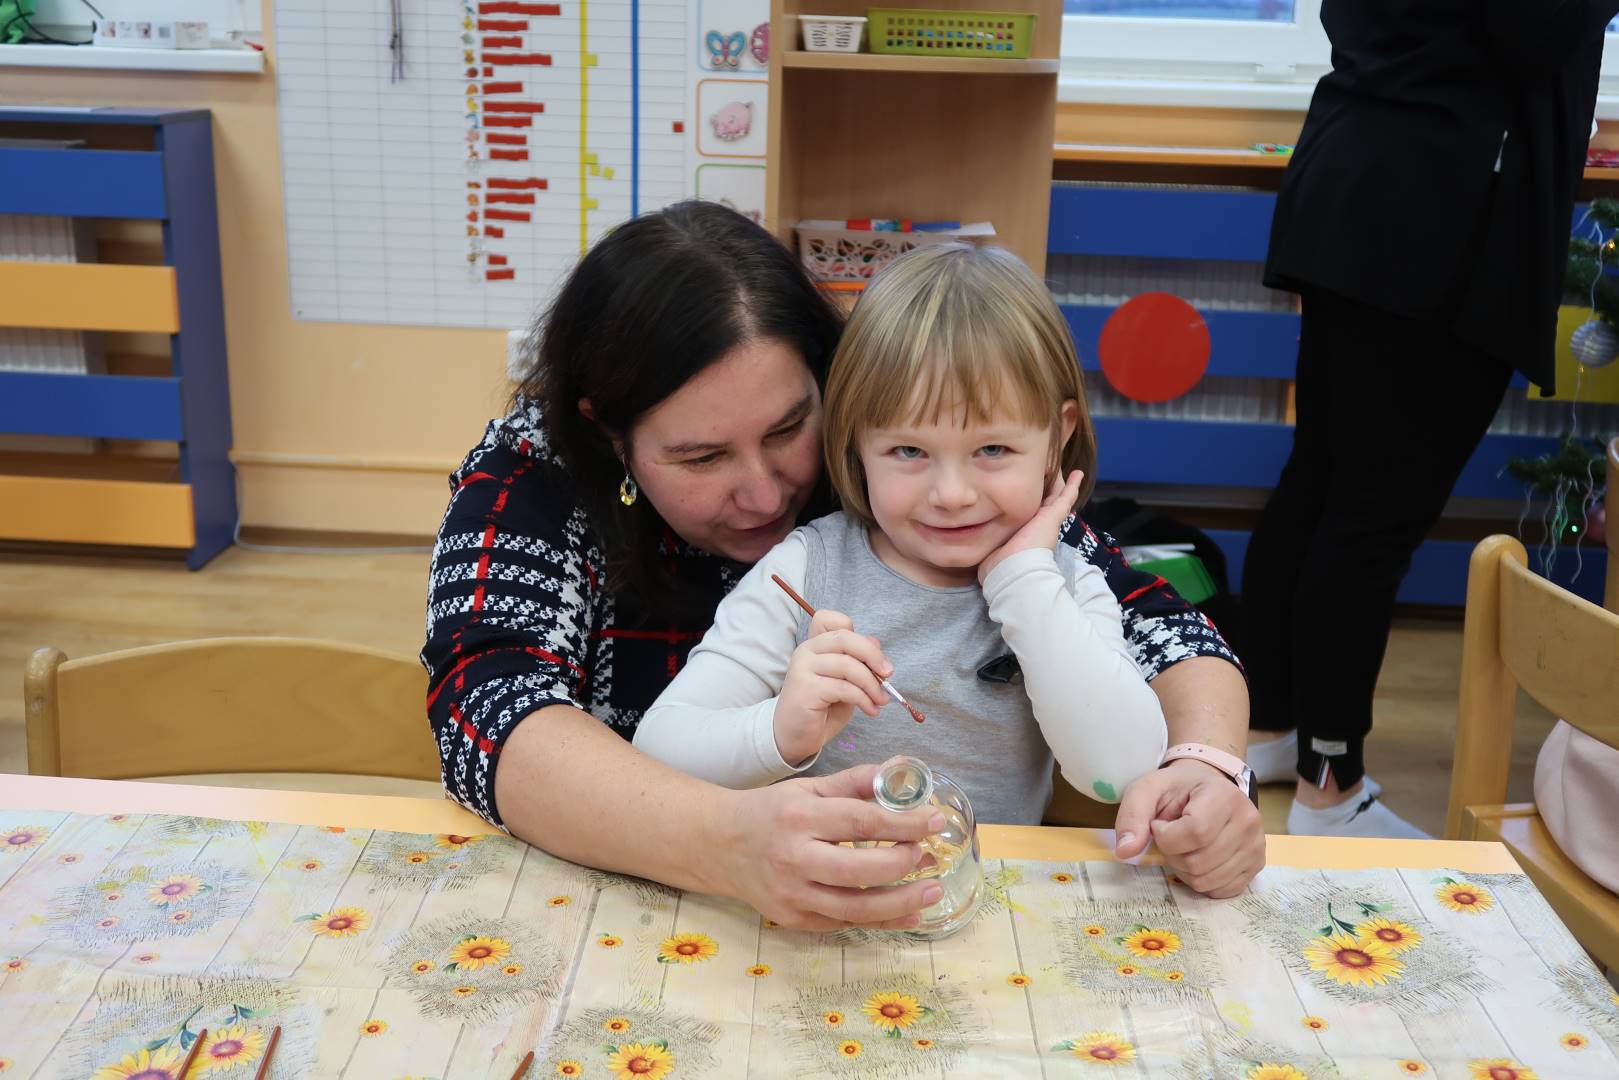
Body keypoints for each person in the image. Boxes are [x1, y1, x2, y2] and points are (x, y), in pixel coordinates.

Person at [422, 202, 1263, 930]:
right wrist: (727, 829)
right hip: (667, 900)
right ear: (609, 434)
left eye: (790, 429)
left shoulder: (920, 450)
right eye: (703, 456)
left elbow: (1155, 625)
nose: (764, 492)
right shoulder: (539, 472)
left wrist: (1205, 766)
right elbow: (490, 704)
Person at [633, 243, 1169, 825]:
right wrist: (781, 729)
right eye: (909, 451)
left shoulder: (1064, 581)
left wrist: (1023, 581)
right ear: (855, 441)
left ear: (1057, 437)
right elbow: (659, 750)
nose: (951, 493)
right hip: (819, 874)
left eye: (993, 449)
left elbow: (1118, 772)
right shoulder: (807, 568)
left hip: (984, 879)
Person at [1247, 0, 1619, 838]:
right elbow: (1536, 33)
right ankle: (1329, 788)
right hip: (1432, 220)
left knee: (1321, 481)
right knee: (1368, 517)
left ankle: (1271, 730)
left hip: (1362, 187)